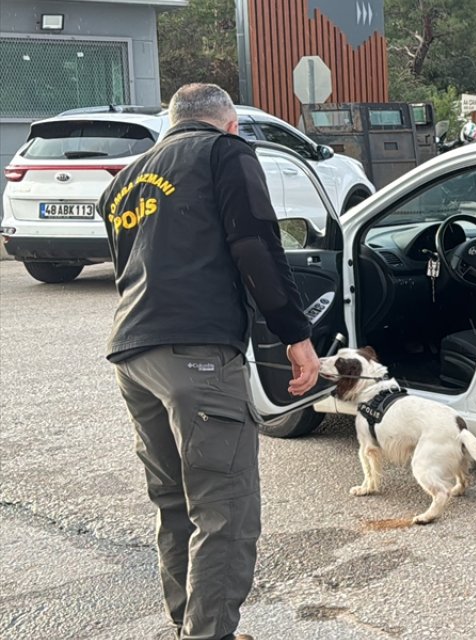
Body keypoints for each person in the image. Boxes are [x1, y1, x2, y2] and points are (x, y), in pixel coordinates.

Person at [98, 83, 320, 640]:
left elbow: (133, 262)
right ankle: (211, 633)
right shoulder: (225, 153)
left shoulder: (125, 181)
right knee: (226, 511)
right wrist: (295, 333)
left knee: (175, 504)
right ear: (229, 124)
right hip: (196, 354)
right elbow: (256, 244)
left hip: (133, 353)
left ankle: (190, 626)